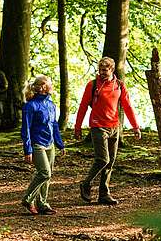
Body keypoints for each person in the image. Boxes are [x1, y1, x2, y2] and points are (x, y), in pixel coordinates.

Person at [74, 57, 141, 205]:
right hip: (98, 127)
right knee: (103, 159)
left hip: (114, 128)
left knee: (110, 163)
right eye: (100, 70)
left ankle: (104, 194)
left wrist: (135, 127)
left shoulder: (120, 86)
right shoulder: (92, 85)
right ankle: (86, 183)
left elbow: (127, 107)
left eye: (105, 70)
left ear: (112, 70)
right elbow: (83, 106)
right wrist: (77, 127)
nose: (102, 73)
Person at [20, 75, 65, 215]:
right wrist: (28, 150)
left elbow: (54, 125)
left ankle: (43, 204)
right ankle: (28, 199)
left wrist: (60, 144)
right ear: (44, 87)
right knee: (44, 173)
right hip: (37, 144)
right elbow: (25, 129)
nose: (52, 86)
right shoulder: (30, 106)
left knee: (48, 175)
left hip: (50, 144)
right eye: (50, 83)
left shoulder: (51, 104)